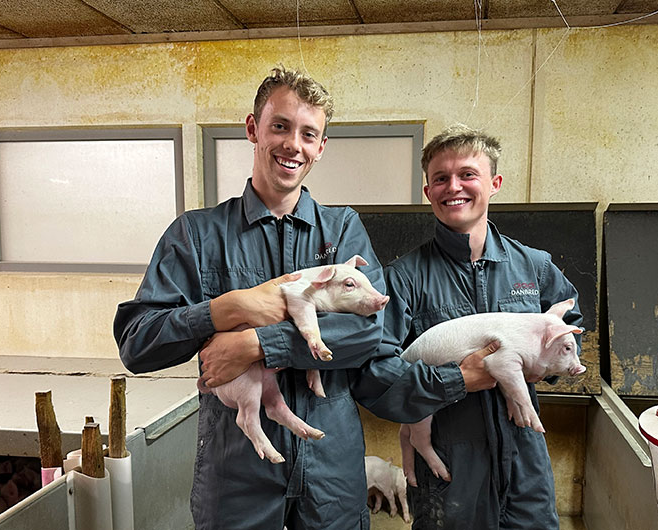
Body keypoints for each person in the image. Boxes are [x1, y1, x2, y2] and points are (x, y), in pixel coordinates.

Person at [113, 67, 494, 530]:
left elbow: (369, 332)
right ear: (253, 129)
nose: (294, 144)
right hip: (236, 469)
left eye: (308, 134)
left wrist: (258, 344)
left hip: (330, 465)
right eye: (281, 126)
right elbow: (137, 345)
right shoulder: (196, 235)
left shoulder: (341, 229)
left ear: (321, 147)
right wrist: (225, 308)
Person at [354, 124, 583, 530]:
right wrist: (458, 379)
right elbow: (374, 375)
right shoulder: (403, 279)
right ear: (428, 192)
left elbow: (569, 332)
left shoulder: (535, 266)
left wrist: (537, 367)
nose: (453, 186)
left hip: (525, 462)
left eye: (467, 174)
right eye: (440, 178)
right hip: (449, 471)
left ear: (494, 183)